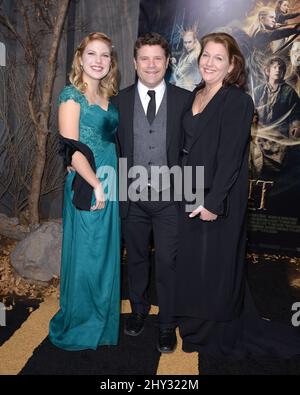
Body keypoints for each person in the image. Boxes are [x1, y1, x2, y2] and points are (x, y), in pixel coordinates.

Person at [175, 32, 300, 358]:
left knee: (215, 267)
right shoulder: (195, 94)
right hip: (188, 193)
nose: (209, 62)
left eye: (219, 58)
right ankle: (193, 325)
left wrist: (213, 204)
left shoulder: (238, 101)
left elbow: (232, 158)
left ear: (232, 66)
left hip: (218, 200)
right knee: (192, 265)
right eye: (206, 55)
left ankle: (213, 331)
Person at [111, 32, 190, 353]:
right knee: (138, 259)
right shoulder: (119, 100)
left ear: (168, 62)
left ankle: (167, 325)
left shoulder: (186, 100)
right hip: (132, 196)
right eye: (144, 58)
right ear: (134, 62)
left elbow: (195, 149)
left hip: (171, 198)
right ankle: (139, 311)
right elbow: (107, 146)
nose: (151, 64)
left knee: (169, 263)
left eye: (158, 58)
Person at [49, 32, 120, 350]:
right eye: (92, 53)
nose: (98, 60)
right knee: (87, 255)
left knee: (104, 254)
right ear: (80, 58)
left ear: (111, 62)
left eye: (105, 55)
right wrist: (96, 185)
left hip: (110, 177)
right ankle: (82, 323)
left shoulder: (108, 95)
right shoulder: (70, 95)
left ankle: (102, 320)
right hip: (88, 181)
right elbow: (71, 149)